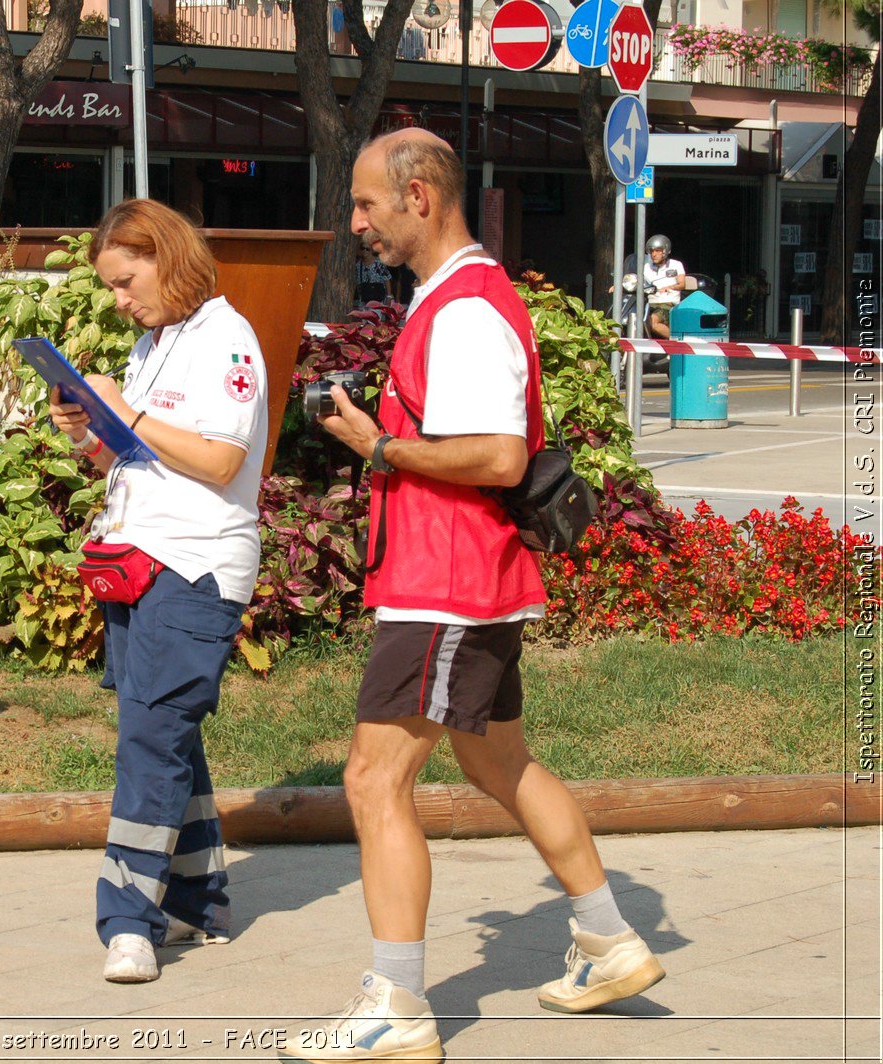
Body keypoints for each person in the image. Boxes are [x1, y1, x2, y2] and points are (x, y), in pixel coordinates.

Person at [283, 129, 663, 1062]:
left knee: (373, 781)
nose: (357, 222)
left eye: (368, 203)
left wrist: (376, 446)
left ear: (420, 196)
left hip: (445, 587)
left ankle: (396, 1006)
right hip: (466, 584)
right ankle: (609, 940)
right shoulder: (451, 302)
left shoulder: (463, 309)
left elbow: (497, 455)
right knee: (500, 765)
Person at [47, 198, 267, 984]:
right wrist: (89, 430)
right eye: (110, 286)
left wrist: (127, 409)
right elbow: (134, 459)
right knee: (165, 731)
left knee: (152, 735)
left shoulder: (227, 338)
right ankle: (197, 900)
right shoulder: (153, 344)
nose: (118, 299)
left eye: (125, 280)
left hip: (197, 565)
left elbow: (218, 462)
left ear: (166, 258)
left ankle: (128, 917)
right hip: (140, 555)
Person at [642, 233, 687, 339]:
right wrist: (620, 286)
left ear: (665, 251)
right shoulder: (646, 267)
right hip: (649, 304)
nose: (654, 254)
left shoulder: (676, 264)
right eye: (652, 251)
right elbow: (636, 280)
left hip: (668, 303)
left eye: (657, 250)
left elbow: (682, 284)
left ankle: (677, 343)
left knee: (653, 322)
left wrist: (669, 287)